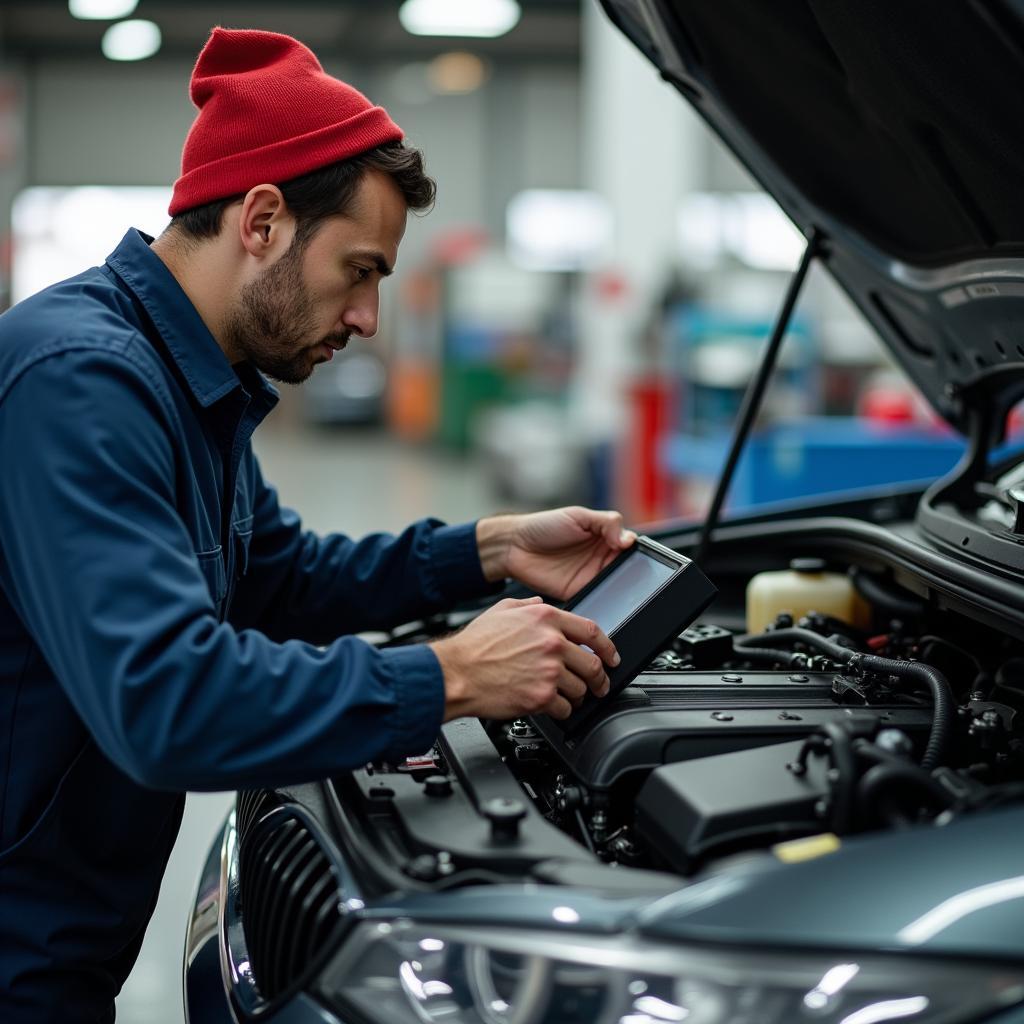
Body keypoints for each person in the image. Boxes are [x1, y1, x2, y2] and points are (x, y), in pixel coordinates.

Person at [0, 27, 635, 1022]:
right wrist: (454, 674)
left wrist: (485, 549)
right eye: (360, 269)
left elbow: (279, 582)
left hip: (60, 944)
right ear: (260, 220)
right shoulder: (82, 383)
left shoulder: (187, 384)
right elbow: (166, 700)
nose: (372, 316)